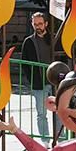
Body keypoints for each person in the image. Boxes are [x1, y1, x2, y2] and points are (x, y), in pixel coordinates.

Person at [22, 12, 57, 141]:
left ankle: (60, 139)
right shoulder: (29, 41)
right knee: (41, 114)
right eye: (35, 24)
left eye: (40, 24)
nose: (37, 26)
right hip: (38, 83)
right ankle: (45, 141)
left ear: (46, 24)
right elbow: (24, 63)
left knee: (60, 112)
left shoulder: (54, 39)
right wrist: (32, 79)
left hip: (54, 82)